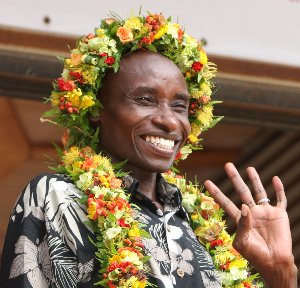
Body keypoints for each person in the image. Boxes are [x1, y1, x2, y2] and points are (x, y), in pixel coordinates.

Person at [0, 12, 297, 288]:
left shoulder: (200, 226)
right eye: (144, 99)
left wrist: (279, 273)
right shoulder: (59, 197)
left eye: (179, 106)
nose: (169, 120)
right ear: (96, 108)